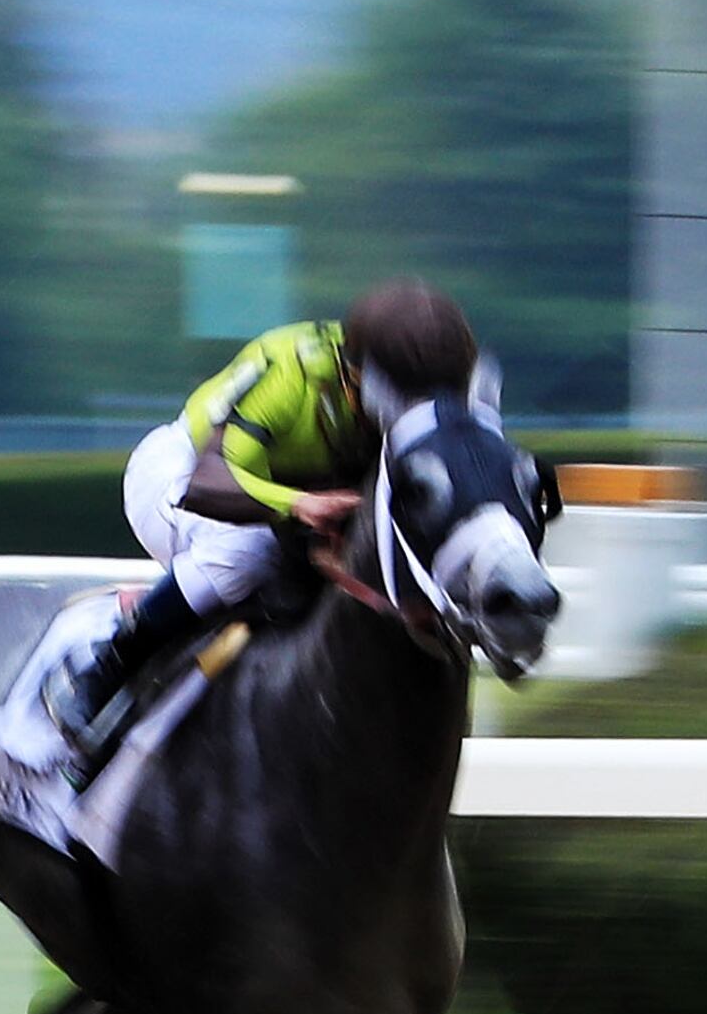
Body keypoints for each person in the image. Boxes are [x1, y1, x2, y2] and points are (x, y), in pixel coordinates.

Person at [48, 275, 481, 776]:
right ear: (356, 373)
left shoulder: (402, 394)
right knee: (251, 551)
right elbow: (209, 486)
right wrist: (299, 505)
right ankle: (105, 671)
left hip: (283, 508)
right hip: (183, 479)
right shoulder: (290, 371)